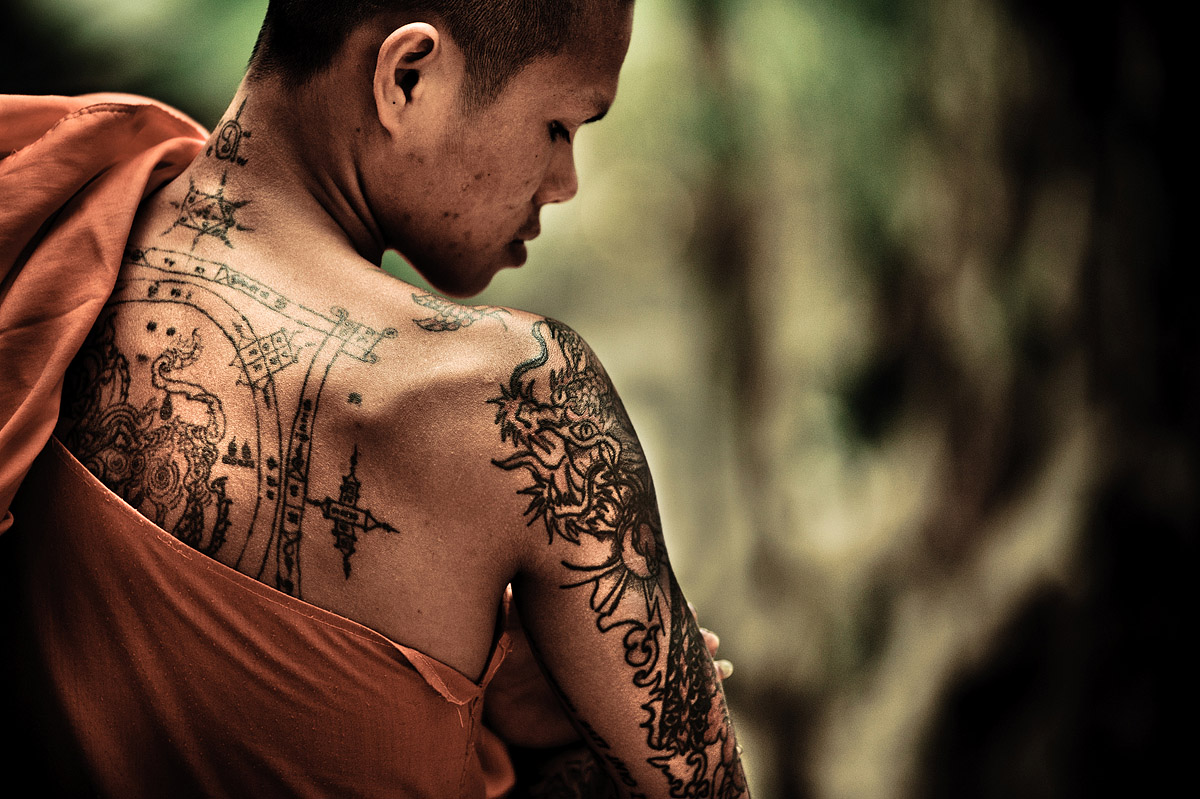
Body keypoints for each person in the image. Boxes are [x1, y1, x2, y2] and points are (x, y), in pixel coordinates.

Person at [0, 1, 748, 796]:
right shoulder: (519, 399)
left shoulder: (47, 236)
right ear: (407, 77)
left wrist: (496, 707)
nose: (564, 183)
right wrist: (544, 747)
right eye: (560, 127)